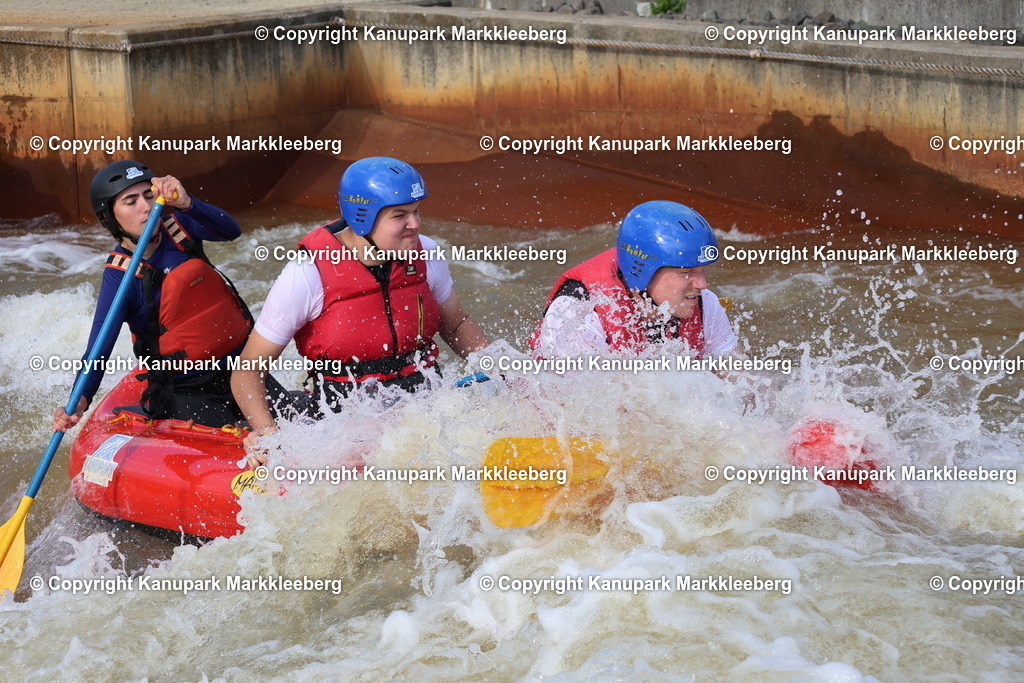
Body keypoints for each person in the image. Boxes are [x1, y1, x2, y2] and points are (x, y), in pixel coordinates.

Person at [233, 156, 489, 462]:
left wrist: (497, 364)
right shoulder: (307, 273)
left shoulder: (427, 253)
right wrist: (266, 434)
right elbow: (248, 369)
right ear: (362, 217)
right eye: (400, 216)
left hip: (427, 406)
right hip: (345, 421)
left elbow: (457, 324)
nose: (415, 224)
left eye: (416, 212)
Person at [52, 160, 255, 432]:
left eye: (149, 195)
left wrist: (188, 203)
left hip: (242, 372)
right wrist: (78, 403)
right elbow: (98, 350)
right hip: (187, 391)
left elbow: (231, 231)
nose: (146, 206)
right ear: (109, 217)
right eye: (130, 201)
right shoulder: (120, 278)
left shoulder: (180, 228)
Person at [530, 200, 738, 361]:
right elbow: (579, 412)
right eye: (686, 273)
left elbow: (745, 382)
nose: (702, 285)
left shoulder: (705, 305)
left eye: (702, 271)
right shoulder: (576, 316)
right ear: (643, 272)